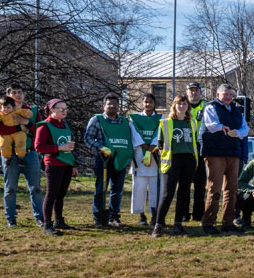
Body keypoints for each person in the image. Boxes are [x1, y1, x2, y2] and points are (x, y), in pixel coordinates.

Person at [85, 93, 147, 228]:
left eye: (114, 104)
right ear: (103, 106)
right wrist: (101, 147)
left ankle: (114, 216)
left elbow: (131, 139)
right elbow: (88, 139)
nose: (112, 106)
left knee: (117, 190)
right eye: (109, 104)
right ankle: (98, 217)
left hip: (121, 160)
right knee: (101, 189)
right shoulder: (97, 120)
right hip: (104, 160)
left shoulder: (125, 122)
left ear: (119, 106)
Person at [0, 84, 45, 228]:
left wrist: (26, 122)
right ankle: (11, 218)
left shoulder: (31, 110)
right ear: (8, 95)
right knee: (10, 188)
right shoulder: (2, 109)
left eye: (20, 92)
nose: (17, 95)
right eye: (13, 92)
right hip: (10, 154)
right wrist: (17, 127)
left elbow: (39, 130)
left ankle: (40, 217)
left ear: (24, 94)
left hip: (29, 152)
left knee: (36, 188)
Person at [199, 84, 250, 235]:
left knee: (232, 189)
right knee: (215, 188)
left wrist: (237, 133)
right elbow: (211, 125)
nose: (228, 97)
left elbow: (245, 129)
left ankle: (228, 222)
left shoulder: (236, 110)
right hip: (215, 152)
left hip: (233, 152)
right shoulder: (210, 107)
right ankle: (208, 222)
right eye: (225, 94)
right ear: (217, 95)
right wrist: (224, 128)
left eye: (230, 95)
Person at [153, 95, 199, 237]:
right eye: (179, 104)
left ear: (188, 107)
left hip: (189, 160)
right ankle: (158, 225)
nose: (182, 106)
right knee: (167, 194)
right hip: (172, 160)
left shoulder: (192, 122)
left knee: (184, 194)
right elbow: (160, 144)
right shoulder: (166, 123)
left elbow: (195, 141)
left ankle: (178, 224)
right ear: (174, 106)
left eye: (184, 104)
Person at [34, 99, 77, 235]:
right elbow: (38, 146)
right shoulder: (44, 126)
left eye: (66, 108)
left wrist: (73, 164)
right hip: (53, 164)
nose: (64, 111)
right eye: (60, 109)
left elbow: (69, 147)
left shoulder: (65, 125)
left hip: (66, 164)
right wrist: (58, 147)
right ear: (52, 109)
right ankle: (47, 224)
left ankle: (59, 220)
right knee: (51, 194)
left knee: (61, 194)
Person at [129, 94, 163, 227]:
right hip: (139, 155)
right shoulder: (134, 118)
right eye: (145, 102)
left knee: (155, 186)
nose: (148, 104)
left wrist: (150, 150)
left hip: (154, 155)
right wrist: (145, 148)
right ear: (142, 103)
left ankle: (155, 214)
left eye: (150, 102)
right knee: (139, 186)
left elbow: (159, 134)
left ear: (154, 103)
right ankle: (141, 215)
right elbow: (135, 133)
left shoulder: (160, 118)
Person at [184, 82, 208, 224]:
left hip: (201, 147)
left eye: (196, 90)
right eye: (191, 90)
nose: (194, 93)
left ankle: (198, 213)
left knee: (200, 183)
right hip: (186, 147)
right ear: (187, 92)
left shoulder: (206, 106)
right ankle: (184, 213)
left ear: (200, 92)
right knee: (185, 183)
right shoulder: (182, 104)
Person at [0, 96, 33, 162]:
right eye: (4, 107)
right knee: (4, 143)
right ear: (1, 107)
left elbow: (25, 112)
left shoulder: (17, 111)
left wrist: (28, 114)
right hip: (7, 133)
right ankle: (7, 158)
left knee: (21, 141)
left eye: (8, 107)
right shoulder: (0, 114)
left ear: (13, 107)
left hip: (18, 132)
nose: (6, 109)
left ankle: (21, 156)